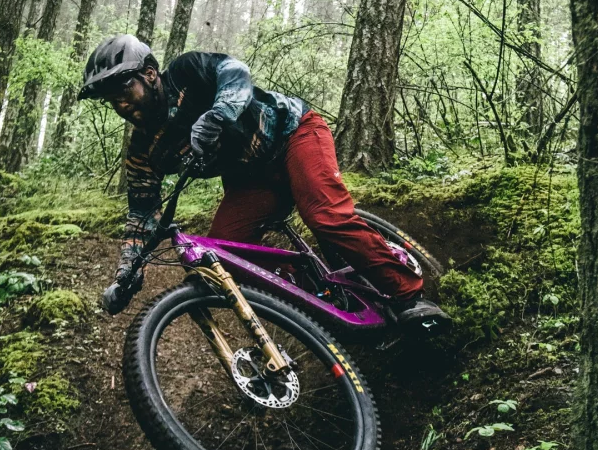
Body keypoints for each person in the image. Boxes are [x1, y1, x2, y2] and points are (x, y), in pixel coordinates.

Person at [78, 34, 445, 323]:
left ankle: (409, 295)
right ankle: (322, 295)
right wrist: (126, 275)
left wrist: (218, 114)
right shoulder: (143, 150)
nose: (121, 104)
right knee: (223, 254)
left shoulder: (186, 72)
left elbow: (234, 72)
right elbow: (141, 215)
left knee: (324, 216)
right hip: (250, 178)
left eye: (124, 90)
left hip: (294, 134)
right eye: (111, 99)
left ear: (149, 74)